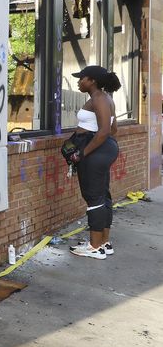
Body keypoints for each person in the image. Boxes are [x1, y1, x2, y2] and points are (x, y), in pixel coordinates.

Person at [68, 65, 121, 260]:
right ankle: (103, 242)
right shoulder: (105, 99)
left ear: (92, 81)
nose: (78, 81)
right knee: (102, 195)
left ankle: (94, 246)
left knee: (93, 197)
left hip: (96, 151)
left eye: (82, 78)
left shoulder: (99, 99)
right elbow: (113, 129)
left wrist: (82, 153)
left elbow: (105, 131)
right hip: (103, 149)